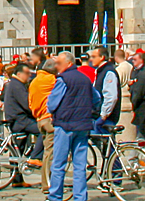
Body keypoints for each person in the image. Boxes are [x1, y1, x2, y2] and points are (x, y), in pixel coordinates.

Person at [48, 51, 100, 201]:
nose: (56, 66)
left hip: (65, 125)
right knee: (79, 166)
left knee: (59, 164)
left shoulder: (63, 79)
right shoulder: (85, 79)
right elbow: (97, 98)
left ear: (68, 63)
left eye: (58, 63)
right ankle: (80, 197)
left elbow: (52, 103)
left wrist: (52, 110)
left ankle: (55, 196)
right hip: (83, 125)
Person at [3, 61, 40, 187]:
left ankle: (17, 180)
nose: (29, 76)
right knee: (43, 130)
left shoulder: (12, 84)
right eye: (27, 74)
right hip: (20, 120)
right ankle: (36, 156)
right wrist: (37, 111)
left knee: (17, 150)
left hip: (16, 120)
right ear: (19, 73)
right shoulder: (17, 85)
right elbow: (26, 104)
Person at [29, 57, 57, 194]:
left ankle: (46, 182)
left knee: (47, 152)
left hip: (39, 118)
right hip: (49, 118)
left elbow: (31, 103)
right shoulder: (51, 80)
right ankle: (48, 183)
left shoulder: (34, 81)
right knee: (50, 153)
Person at [89, 46, 121, 133]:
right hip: (100, 115)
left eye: (94, 57)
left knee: (104, 142)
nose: (91, 59)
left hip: (106, 117)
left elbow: (111, 96)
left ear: (102, 57)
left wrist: (103, 115)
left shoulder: (108, 72)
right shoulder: (100, 71)